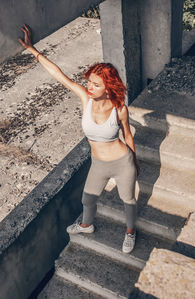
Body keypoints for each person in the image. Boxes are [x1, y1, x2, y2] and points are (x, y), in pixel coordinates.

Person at [19, 24, 140, 254]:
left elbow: (127, 134)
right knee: (87, 199)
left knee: (128, 201)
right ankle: (86, 225)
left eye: (96, 84)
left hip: (122, 161)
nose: (90, 87)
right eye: (89, 82)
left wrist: (136, 161)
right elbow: (58, 74)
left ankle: (130, 232)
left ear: (108, 87)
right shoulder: (85, 99)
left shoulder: (119, 109)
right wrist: (32, 49)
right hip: (98, 163)